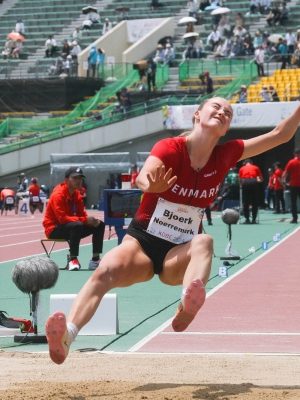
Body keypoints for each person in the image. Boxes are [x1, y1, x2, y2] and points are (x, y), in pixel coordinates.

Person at [45, 97, 300, 365]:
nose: (223, 112)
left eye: (228, 112)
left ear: (226, 129)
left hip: (179, 253)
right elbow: (146, 175)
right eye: (216, 107)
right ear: (197, 115)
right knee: (104, 272)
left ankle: (187, 306)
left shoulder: (227, 154)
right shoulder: (170, 148)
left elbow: (280, 134)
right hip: (142, 244)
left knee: (205, 240)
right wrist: (148, 185)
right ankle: (67, 338)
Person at [42, 167, 105, 271]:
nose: (78, 181)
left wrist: (90, 221)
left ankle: (95, 260)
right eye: (75, 178)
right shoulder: (58, 195)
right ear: (66, 180)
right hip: (54, 229)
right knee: (77, 225)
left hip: (72, 227)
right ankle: (73, 260)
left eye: (80, 178)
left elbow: (82, 214)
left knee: (99, 224)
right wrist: (85, 220)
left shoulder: (77, 195)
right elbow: (62, 219)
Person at [239, 159, 263, 224]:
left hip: (245, 182)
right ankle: (254, 219)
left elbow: (240, 180)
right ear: (251, 163)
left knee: (245, 202)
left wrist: (242, 185)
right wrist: (257, 181)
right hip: (254, 182)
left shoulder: (242, 168)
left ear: (245, 163)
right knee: (254, 202)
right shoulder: (256, 167)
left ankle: (247, 219)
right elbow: (261, 179)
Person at [283, 148, 300, 223]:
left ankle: (295, 218)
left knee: (293, 202)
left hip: (293, 185)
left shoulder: (291, 162)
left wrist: (283, 181)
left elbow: (285, 173)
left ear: (294, 154)